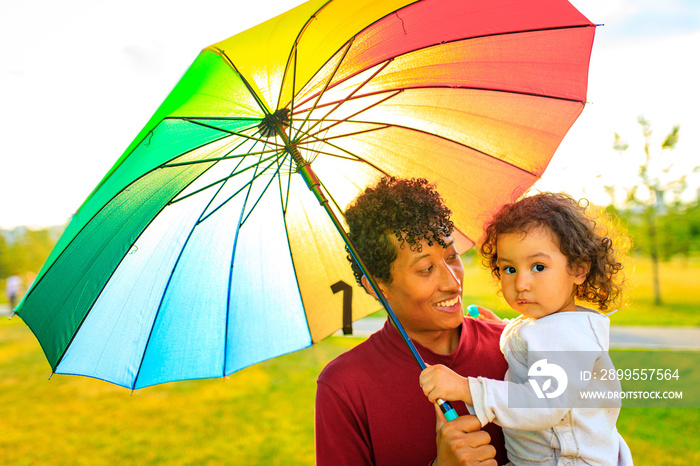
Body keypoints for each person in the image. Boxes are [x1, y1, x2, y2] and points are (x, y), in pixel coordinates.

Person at [420, 192, 633, 465]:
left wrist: (466, 388)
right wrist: (507, 329)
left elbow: (542, 404)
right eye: (509, 269)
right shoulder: (555, 325)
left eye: (538, 266)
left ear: (579, 270)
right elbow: (540, 344)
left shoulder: (567, 338)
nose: (521, 283)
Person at [315, 176, 509, 466]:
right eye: (426, 268)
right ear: (378, 287)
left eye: (452, 256)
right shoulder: (343, 387)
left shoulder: (511, 349)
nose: (453, 281)